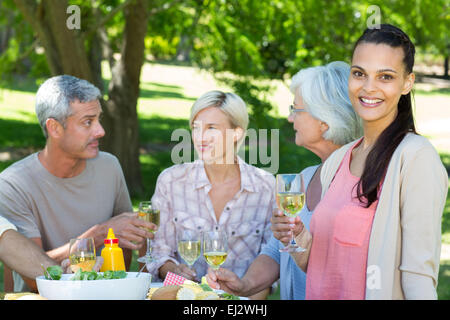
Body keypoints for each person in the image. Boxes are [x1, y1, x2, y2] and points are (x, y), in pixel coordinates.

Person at [287, 24, 448, 299]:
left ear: (407, 83)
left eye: (385, 76)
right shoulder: (339, 159)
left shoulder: (415, 158)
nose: (368, 87)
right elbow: (321, 268)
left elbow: (419, 276)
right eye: (359, 73)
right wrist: (298, 236)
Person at [206, 61, 363, 299]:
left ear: (325, 120)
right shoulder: (303, 179)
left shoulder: (360, 186)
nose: (290, 118)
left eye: (296, 109)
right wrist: (245, 285)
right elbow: (275, 250)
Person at [0, 75, 156, 292]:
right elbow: (33, 275)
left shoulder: (109, 167)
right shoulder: (13, 184)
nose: (100, 131)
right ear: (54, 128)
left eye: (99, 119)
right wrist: (98, 234)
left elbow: (125, 249)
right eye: (88, 122)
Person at [147, 90, 275, 299]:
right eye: (196, 128)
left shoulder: (266, 187)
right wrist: (172, 270)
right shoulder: (171, 181)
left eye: (211, 128)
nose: (200, 138)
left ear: (237, 133)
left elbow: (272, 262)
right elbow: (158, 253)